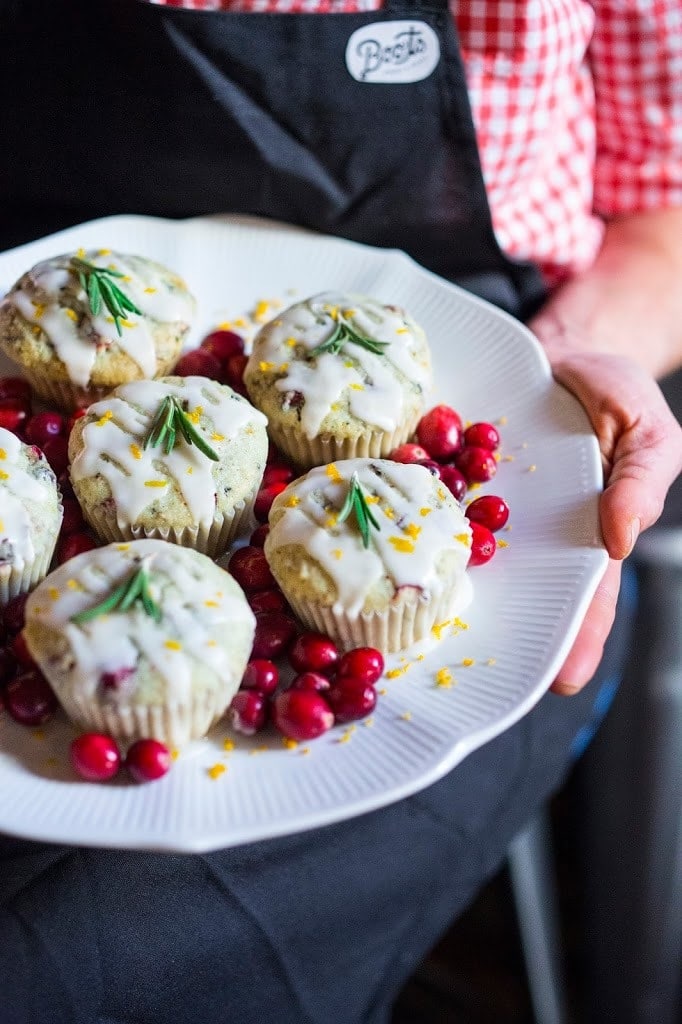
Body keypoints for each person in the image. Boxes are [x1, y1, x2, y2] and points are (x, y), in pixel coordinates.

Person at [1, 1, 681, 1022]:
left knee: (69, 963)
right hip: (61, 321)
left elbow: (663, 213)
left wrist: (558, 372)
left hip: (479, 380)